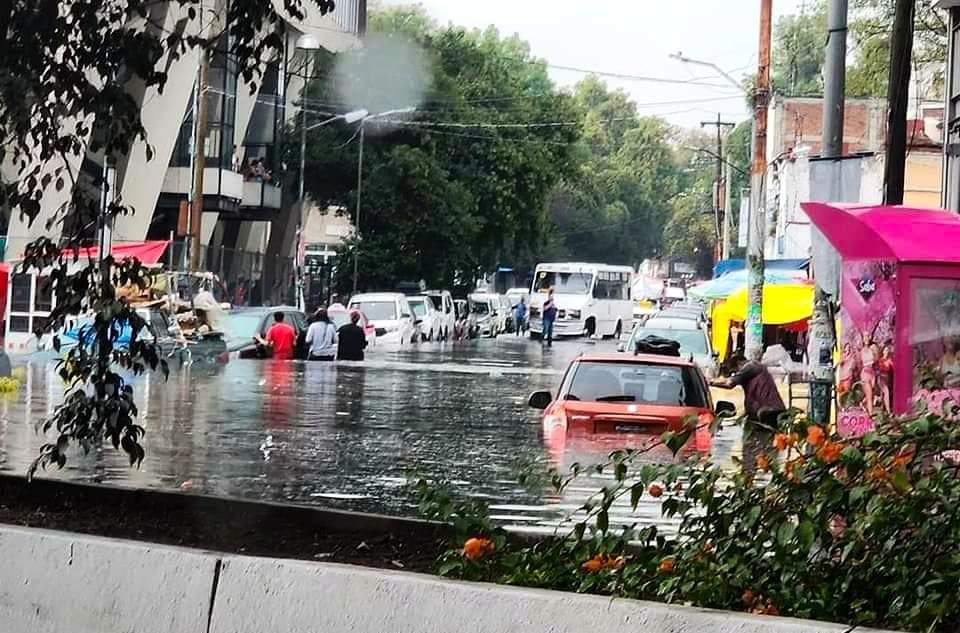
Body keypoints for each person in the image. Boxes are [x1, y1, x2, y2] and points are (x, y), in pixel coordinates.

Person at [710, 354, 786, 479]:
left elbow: (729, 384)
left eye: (734, 371)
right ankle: (771, 479)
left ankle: (748, 481)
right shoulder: (758, 368)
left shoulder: (750, 367)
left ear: (739, 364)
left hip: (763, 414)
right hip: (774, 413)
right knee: (770, 450)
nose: (735, 374)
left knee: (750, 449)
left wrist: (710, 382)